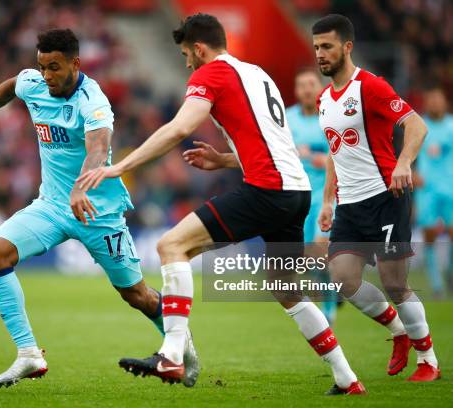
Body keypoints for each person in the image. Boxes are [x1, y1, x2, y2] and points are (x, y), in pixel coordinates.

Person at [78, 13, 365, 395]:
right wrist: (224, 159)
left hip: (268, 190)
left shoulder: (210, 73)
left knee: (171, 246)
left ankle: (171, 355)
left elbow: (180, 127)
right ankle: (347, 379)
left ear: (199, 48)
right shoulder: (258, 75)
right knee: (286, 288)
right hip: (296, 192)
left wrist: (122, 166)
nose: (186, 64)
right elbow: (272, 144)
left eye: (186, 54)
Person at [0, 29, 191, 387]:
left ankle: (180, 349)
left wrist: (80, 187)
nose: (47, 75)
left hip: (97, 211)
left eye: (54, 67)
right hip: (52, 206)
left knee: (136, 295)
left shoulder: (93, 100)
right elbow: (11, 86)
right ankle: (28, 354)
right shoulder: (35, 83)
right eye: (42, 67)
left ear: (75, 63)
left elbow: (98, 148)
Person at [313, 14, 440, 381]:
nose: (320, 54)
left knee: (395, 283)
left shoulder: (370, 86)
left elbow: (416, 124)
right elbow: (335, 152)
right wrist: (327, 200)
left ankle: (428, 359)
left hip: (386, 194)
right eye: (317, 47)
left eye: (328, 46)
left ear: (347, 47)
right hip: (349, 204)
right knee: (342, 279)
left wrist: (404, 162)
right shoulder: (325, 99)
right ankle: (399, 332)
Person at [286, 68, 339, 324]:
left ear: (319, 87)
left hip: (325, 195)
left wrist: (319, 159)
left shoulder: (329, 117)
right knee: (307, 259)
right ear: (296, 91)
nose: (307, 89)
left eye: (311, 84)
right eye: (301, 85)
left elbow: (341, 155)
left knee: (319, 251)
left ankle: (329, 307)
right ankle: (331, 291)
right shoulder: (287, 119)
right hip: (298, 197)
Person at [416, 86, 453, 296]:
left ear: (445, 103)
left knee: (451, 232)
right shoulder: (419, 126)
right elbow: (408, 152)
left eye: (438, 100)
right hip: (427, 189)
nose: (435, 104)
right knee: (429, 234)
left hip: (450, 186)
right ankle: (436, 284)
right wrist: (412, 172)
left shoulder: (451, 126)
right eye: (431, 101)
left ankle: (449, 272)